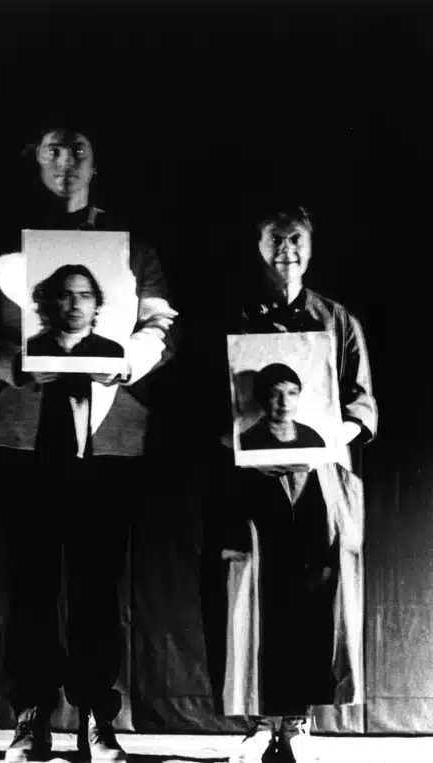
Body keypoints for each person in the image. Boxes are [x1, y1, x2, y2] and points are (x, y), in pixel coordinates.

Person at [0, 126, 177, 763]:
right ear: (34, 158)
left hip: (108, 435)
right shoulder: (4, 245)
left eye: (78, 150)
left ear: (97, 161)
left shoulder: (132, 245)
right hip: (26, 432)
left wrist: (130, 360)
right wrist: (19, 367)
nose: (66, 163)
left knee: (95, 580)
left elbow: (161, 320)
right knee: (29, 581)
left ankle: (93, 716)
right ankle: (30, 715)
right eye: (54, 150)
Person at [215, 205, 376, 763]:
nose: (287, 248)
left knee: (312, 596)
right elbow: (219, 404)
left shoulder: (337, 319)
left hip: (318, 481)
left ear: (311, 247)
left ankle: (300, 723)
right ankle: (260, 722)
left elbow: (362, 401)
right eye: (275, 238)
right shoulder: (237, 316)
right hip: (254, 480)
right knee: (255, 594)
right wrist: (236, 436)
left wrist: (335, 431)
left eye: (297, 238)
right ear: (259, 247)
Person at [25, 265, 125, 359]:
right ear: (52, 302)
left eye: (85, 296)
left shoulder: (113, 352)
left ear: (96, 305)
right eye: (65, 296)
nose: (75, 305)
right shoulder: (29, 351)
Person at [238, 363, 326, 451]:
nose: (284, 403)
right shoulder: (247, 442)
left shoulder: (312, 438)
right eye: (274, 394)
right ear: (261, 398)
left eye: (292, 393)